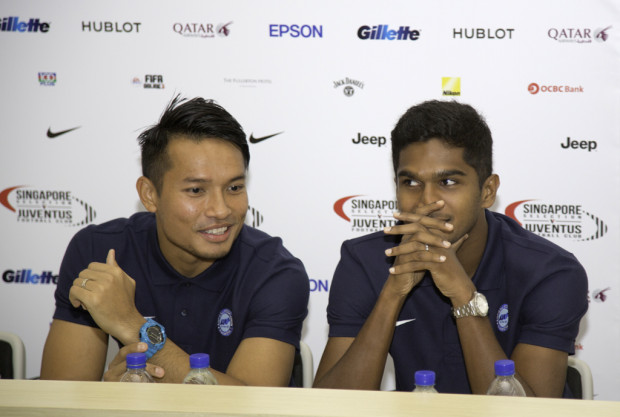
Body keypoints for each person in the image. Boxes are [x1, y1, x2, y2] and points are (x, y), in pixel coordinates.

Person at [313, 100, 588, 397]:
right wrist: (393, 292)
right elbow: (331, 405)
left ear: (487, 191)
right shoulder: (365, 261)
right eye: (411, 182)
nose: (427, 201)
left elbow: (529, 415)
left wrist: (463, 295)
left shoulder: (550, 272)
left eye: (447, 181)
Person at [40, 96, 309, 386]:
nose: (221, 210)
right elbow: (63, 397)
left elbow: (253, 406)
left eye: (234, 187)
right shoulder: (100, 252)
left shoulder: (276, 272)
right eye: (196, 190)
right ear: (149, 195)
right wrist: (114, 396)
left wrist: (133, 325)